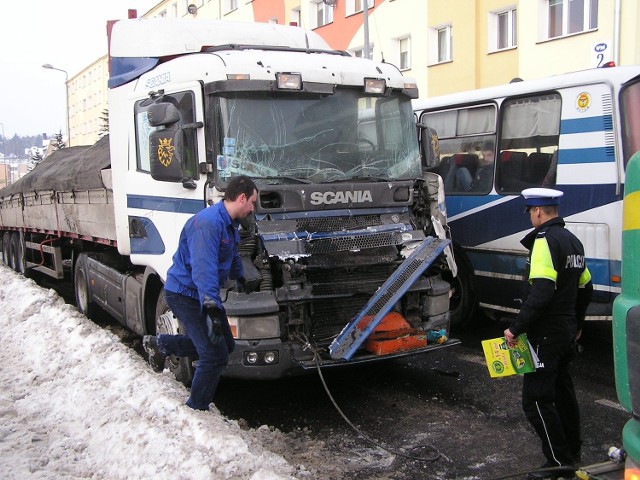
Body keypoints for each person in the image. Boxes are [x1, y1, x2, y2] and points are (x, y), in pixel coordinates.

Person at [143, 175, 258, 411]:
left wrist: (241, 278)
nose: (253, 209)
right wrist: (212, 307)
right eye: (252, 203)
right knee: (213, 356)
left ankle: (160, 345)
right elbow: (203, 270)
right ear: (242, 198)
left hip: (200, 293)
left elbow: (232, 255)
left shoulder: (229, 224)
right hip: (186, 294)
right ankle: (196, 408)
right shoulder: (208, 224)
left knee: (225, 346)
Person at [503, 187, 593, 479]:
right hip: (566, 331)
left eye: (530, 211)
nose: (531, 215)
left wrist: (516, 328)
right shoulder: (573, 241)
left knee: (537, 400)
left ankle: (558, 462)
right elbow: (586, 287)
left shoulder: (544, 241)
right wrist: (577, 323)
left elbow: (541, 292)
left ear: (538, 211)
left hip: (546, 335)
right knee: (563, 392)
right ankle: (572, 450)